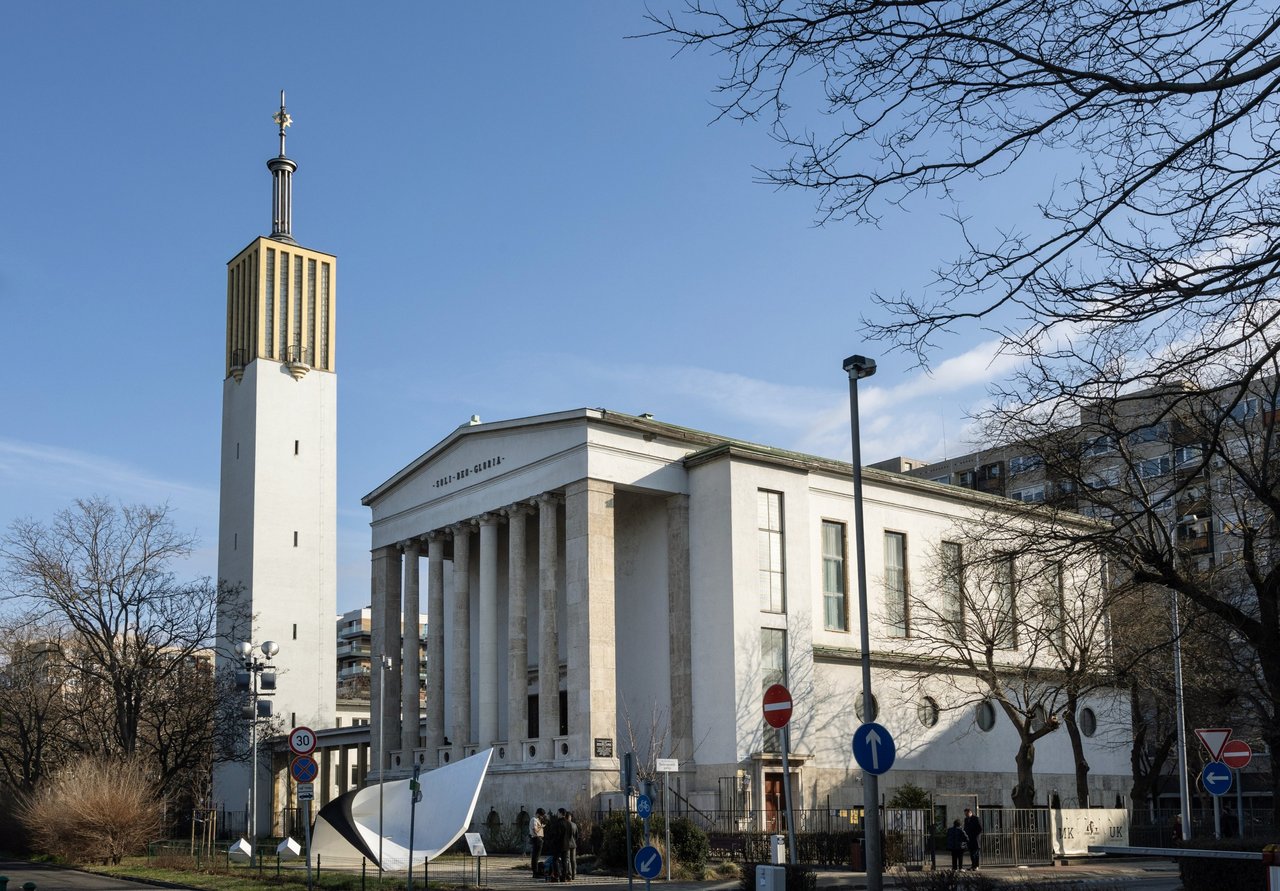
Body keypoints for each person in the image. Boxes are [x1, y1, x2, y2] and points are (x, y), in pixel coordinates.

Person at [544, 807, 565, 881]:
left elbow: (556, 835)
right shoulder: (568, 823)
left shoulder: (558, 823)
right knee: (565, 860)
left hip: (558, 845)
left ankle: (556, 875)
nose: (557, 814)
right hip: (566, 845)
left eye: (558, 813)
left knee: (555, 860)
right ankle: (564, 877)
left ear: (561, 813)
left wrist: (553, 842)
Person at [563, 809, 579, 881]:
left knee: (568, 859)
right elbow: (576, 836)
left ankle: (569, 874)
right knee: (573, 860)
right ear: (570, 817)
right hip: (573, 844)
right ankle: (574, 875)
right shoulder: (574, 825)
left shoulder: (565, 824)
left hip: (567, 844)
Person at [529, 808, 546, 876]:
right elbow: (535, 830)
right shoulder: (534, 820)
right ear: (538, 814)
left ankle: (536, 871)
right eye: (541, 815)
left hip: (538, 838)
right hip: (536, 838)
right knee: (535, 856)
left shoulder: (537, 820)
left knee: (536, 856)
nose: (542, 817)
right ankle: (535, 872)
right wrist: (541, 827)